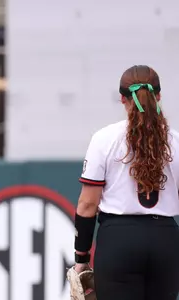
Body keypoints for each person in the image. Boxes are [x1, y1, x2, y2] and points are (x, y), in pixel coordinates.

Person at [70, 65, 179, 300]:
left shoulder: (104, 139)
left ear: (122, 99)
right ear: (158, 96)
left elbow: (87, 205)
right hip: (165, 240)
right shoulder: (176, 140)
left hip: (118, 241)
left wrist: (81, 259)